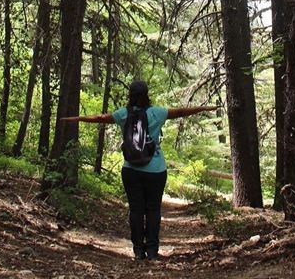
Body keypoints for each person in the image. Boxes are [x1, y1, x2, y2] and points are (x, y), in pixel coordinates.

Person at [60, 80, 217, 261]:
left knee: (135, 210)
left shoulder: (122, 115)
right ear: (146, 94)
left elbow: (100, 118)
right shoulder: (157, 113)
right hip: (156, 170)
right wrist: (204, 109)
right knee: (153, 210)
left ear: (130, 95)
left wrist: (77, 118)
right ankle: (152, 251)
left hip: (131, 170)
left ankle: (138, 251)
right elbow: (181, 111)